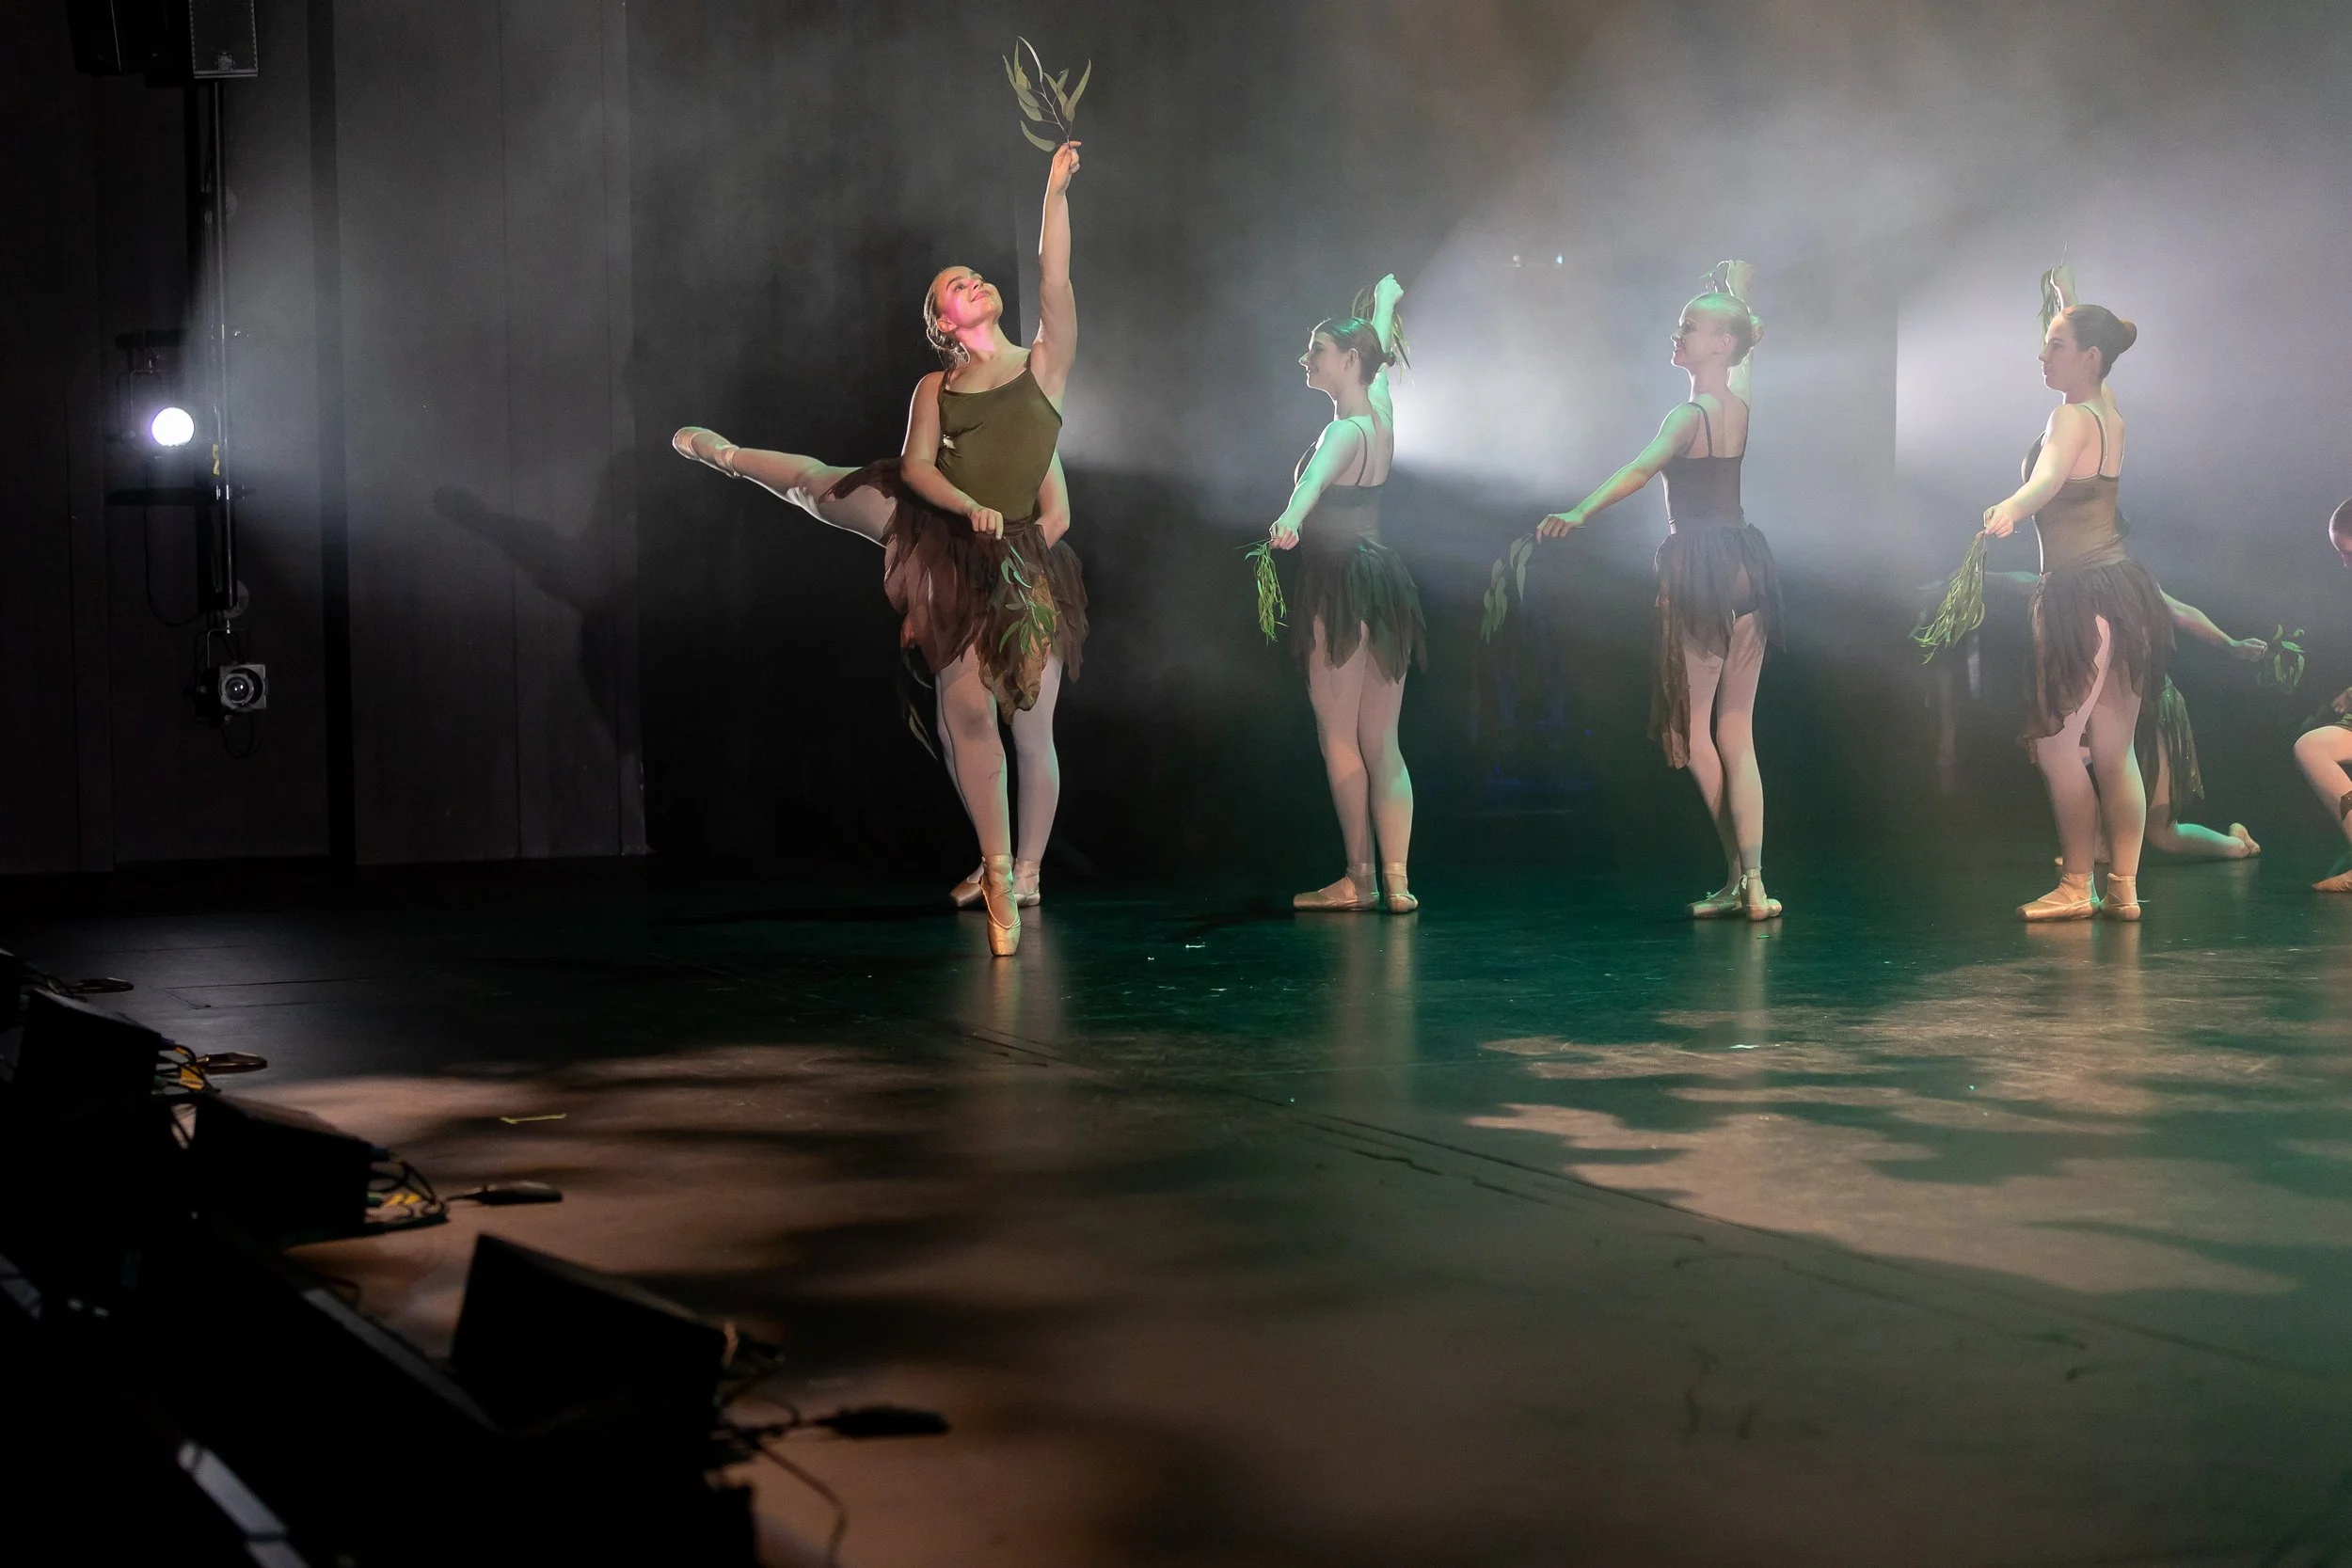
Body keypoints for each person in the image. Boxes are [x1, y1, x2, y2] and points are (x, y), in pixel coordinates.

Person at [674, 142, 1086, 956]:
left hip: (1015, 559)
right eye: (952, 286)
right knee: (824, 488)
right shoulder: (935, 388)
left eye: (971, 274)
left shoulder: (1044, 367)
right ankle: (724, 453)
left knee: (1032, 727)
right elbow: (917, 468)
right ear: (943, 325)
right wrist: (967, 505)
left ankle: (1027, 870)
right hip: (935, 531)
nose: (969, 280)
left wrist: (1053, 190)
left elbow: (1055, 279)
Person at [1536, 261, 1781, 920]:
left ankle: (1736, 870)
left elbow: (1638, 470)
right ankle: (1755, 883)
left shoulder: (1691, 414)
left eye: (1691, 329)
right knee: (1738, 730)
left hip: (1701, 567)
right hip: (1747, 563)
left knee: (1699, 729)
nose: (1678, 335)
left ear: (1721, 345)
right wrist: (1739, 297)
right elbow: (1750, 348)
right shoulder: (1740, 402)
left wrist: (1580, 511)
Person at [1979, 286, 2166, 920]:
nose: (2042, 354)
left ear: (2089, 356)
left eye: (2053, 345)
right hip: (2123, 589)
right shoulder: (2109, 409)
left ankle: (2076, 883)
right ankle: (2124, 888)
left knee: (2059, 746)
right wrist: (2062, 299)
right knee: (2115, 749)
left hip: (2080, 593)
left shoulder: (2069, 419)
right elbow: (2094, 345)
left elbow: (2048, 476)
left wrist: (2012, 505)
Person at [1269, 275, 1424, 912]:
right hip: (1382, 580)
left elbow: (1308, 494)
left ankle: (1358, 878)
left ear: (1348, 360)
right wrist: (1385, 304)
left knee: (1338, 735)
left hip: (1338, 585)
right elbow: (1382, 357)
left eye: (1318, 350)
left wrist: (1289, 519)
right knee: (1382, 739)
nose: (1308, 359)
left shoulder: (1340, 434)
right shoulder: (1380, 413)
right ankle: (1397, 879)